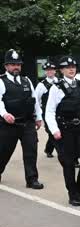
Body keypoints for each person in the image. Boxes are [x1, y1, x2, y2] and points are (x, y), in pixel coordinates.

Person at [45, 56, 80, 205]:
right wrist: (54, 130)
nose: (71, 69)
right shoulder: (56, 88)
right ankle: (73, 193)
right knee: (68, 163)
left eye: (73, 66)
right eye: (67, 67)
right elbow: (49, 112)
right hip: (64, 129)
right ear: (61, 70)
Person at [0, 49, 44, 189]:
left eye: (18, 64)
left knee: (31, 151)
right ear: (6, 66)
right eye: (12, 64)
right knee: (3, 152)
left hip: (27, 123)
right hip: (8, 125)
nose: (16, 67)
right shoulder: (1, 81)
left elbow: (35, 100)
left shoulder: (27, 81)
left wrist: (38, 117)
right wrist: (4, 114)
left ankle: (32, 179)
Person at [36, 60, 58, 158]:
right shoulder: (41, 85)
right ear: (45, 72)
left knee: (57, 130)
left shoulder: (59, 82)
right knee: (51, 131)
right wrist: (39, 114)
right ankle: (56, 150)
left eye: (52, 70)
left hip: (59, 111)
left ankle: (48, 149)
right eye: (47, 70)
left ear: (55, 71)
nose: (50, 72)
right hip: (47, 112)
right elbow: (36, 100)